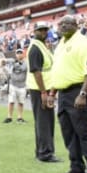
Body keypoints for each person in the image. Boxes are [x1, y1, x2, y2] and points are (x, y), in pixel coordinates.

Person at [50, 16, 87, 173]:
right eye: (61, 24)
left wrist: (83, 93)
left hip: (79, 90)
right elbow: (59, 70)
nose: (63, 26)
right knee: (69, 134)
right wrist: (52, 92)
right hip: (63, 94)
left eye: (67, 23)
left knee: (85, 134)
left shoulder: (83, 43)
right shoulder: (61, 44)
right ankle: (76, 169)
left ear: (76, 25)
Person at [26, 21, 60, 163]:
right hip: (40, 89)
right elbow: (37, 73)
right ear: (34, 31)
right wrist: (44, 93)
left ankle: (41, 151)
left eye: (45, 30)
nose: (44, 32)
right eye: (40, 30)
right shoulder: (35, 48)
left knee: (43, 121)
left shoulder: (41, 46)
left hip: (42, 89)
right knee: (44, 121)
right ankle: (45, 153)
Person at [3, 48, 27, 124]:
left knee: (21, 102)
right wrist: (2, 63)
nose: (19, 54)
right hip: (13, 84)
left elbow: (23, 69)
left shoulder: (26, 63)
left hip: (22, 85)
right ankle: (9, 117)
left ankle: (19, 117)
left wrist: (17, 63)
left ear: (23, 54)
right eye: (18, 53)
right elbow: (3, 61)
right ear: (16, 54)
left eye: (20, 53)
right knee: (11, 101)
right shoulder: (12, 61)